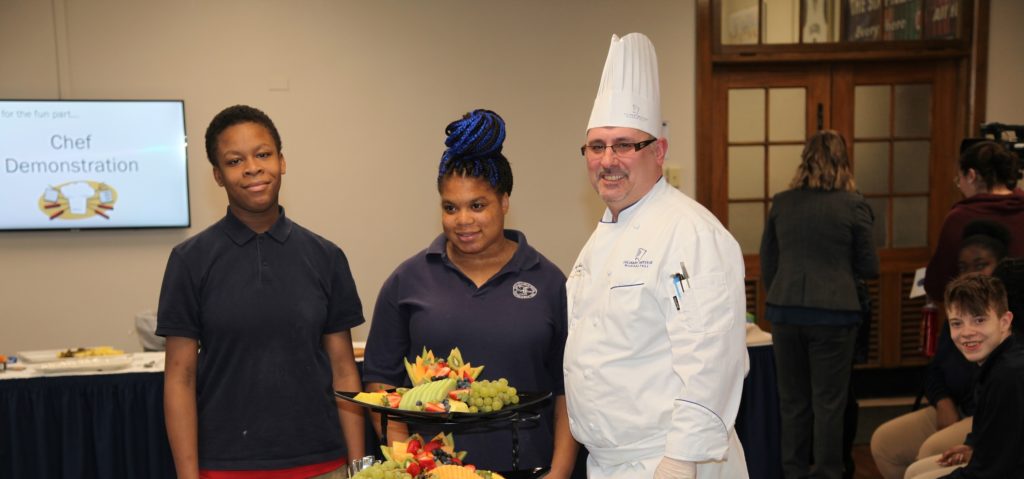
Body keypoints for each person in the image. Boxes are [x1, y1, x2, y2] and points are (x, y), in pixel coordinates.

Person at [563, 32, 749, 479]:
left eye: (625, 144)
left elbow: (712, 354)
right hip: (611, 463)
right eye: (597, 146)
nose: (608, 159)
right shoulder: (603, 236)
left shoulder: (690, 234)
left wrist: (680, 460)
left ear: (659, 151)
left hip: (669, 460)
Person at [361, 109, 577, 477]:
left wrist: (558, 473)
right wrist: (406, 462)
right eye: (450, 207)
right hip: (434, 471)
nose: (463, 221)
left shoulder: (549, 281)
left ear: (505, 202)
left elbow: (568, 392)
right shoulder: (407, 281)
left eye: (478, 205)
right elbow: (381, 385)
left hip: (529, 469)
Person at [157, 105, 365, 479]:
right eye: (235, 161)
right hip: (224, 466)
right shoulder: (190, 260)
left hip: (323, 463)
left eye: (263, 154)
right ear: (218, 176)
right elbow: (179, 378)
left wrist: (360, 470)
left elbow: (344, 371)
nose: (252, 167)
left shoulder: (326, 257)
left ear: (282, 162)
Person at [759, 130, 879, 479]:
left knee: (793, 402)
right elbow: (870, 266)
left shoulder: (782, 202)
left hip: (785, 311)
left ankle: (793, 472)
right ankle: (829, 472)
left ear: (804, 158)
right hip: (834, 314)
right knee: (829, 403)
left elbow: (769, 262)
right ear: (843, 160)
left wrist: (786, 288)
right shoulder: (853, 204)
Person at [870, 220, 1011, 479]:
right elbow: (934, 369)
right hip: (954, 407)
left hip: (980, 419)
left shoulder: (1007, 335)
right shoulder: (955, 319)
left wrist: (972, 439)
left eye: (981, 265)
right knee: (885, 442)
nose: (971, 274)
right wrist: (943, 401)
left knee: (931, 451)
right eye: (963, 267)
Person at [905, 274, 1024, 478]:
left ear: (1005, 322)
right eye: (957, 323)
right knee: (915, 471)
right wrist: (974, 446)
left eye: (979, 320)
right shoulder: (996, 361)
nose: (966, 332)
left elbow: (991, 472)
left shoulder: (1008, 375)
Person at [923, 141, 1024, 303]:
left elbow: (937, 284)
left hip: (979, 313)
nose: (960, 187)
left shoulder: (960, 217)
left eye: (959, 180)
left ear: (971, 175)